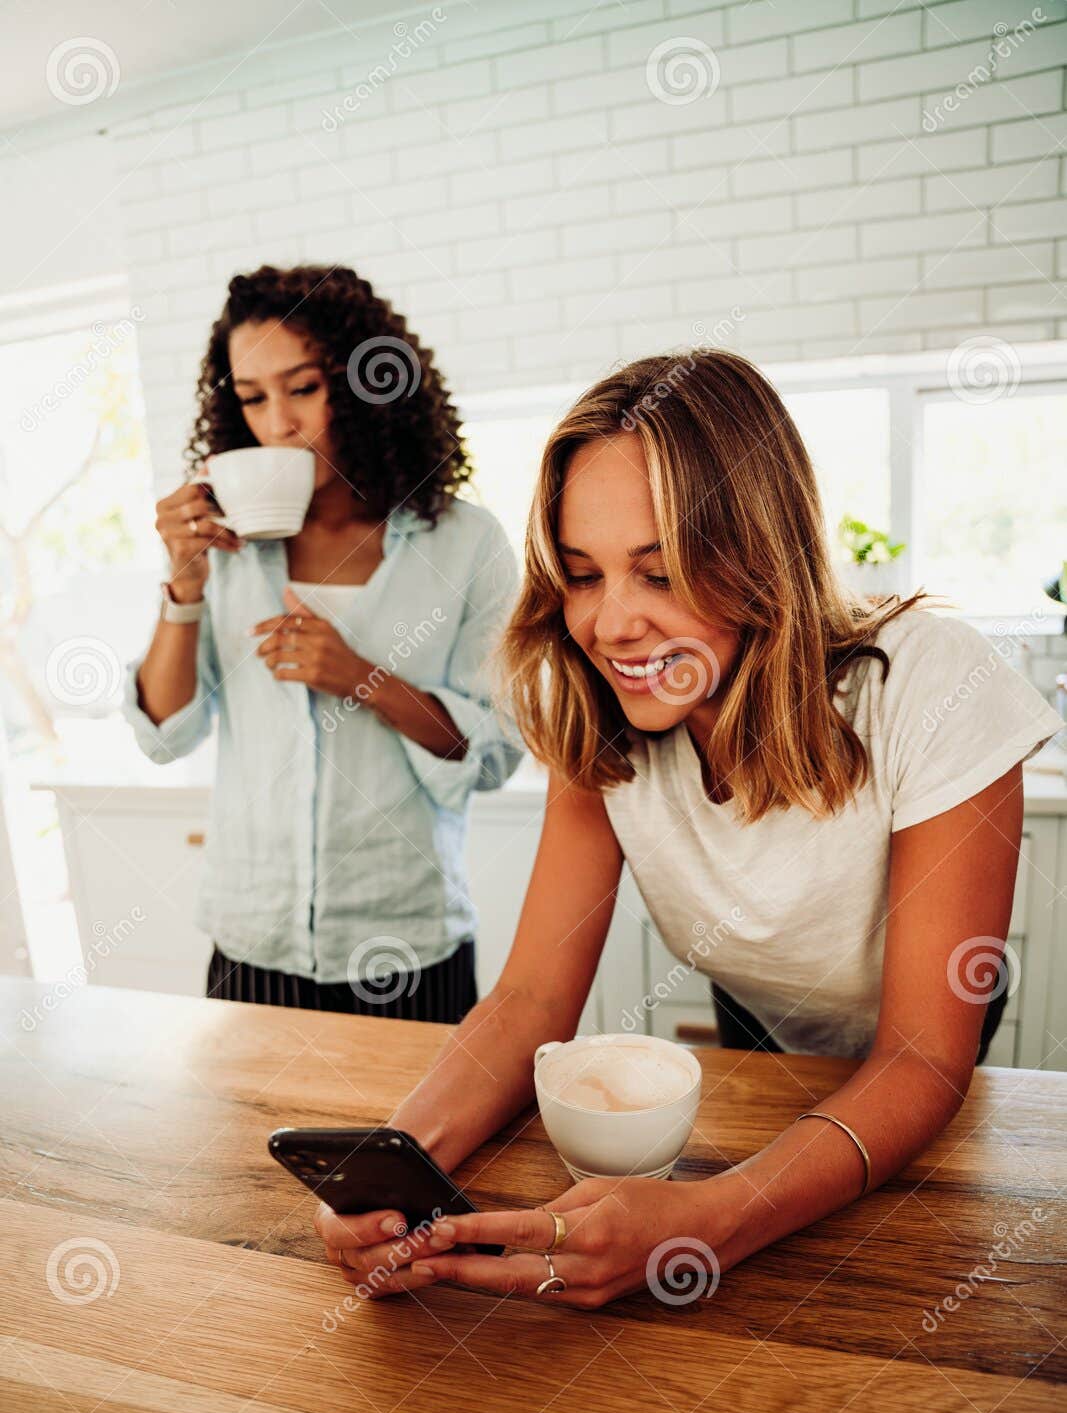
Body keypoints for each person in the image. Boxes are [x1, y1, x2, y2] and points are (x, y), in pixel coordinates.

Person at [315, 348, 1062, 1306]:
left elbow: (918, 1058)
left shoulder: (932, 685)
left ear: (759, 553)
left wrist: (712, 1220)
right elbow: (532, 998)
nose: (610, 624)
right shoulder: (595, 710)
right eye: (582, 576)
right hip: (758, 1023)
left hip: (916, 1041)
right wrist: (388, 1167)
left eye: (658, 573)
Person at [124, 264, 521, 1018]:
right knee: (246, 1140)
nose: (279, 422)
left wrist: (363, 679)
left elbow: (494, 751)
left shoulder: (466, 542)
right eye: (252, 398)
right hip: (252, 941)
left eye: (302, 387)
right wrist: (183, 586)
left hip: (407, 942)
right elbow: (165, 736)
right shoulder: (221, 548)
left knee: (418, 1139)